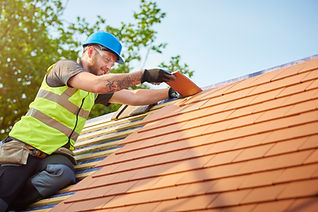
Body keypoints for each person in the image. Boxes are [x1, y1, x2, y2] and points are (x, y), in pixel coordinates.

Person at [0, 31, 176, 211]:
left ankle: (13, 204)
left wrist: (169, 92)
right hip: (22, 148)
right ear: (90, 51)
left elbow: (133, 96)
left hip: (53, 155)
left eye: (113, 63)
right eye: (107, 59)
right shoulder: (64, 68)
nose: (109, 66)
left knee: (64, 172)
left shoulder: (91, 91)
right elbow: (98, 83)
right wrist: (144, 75)